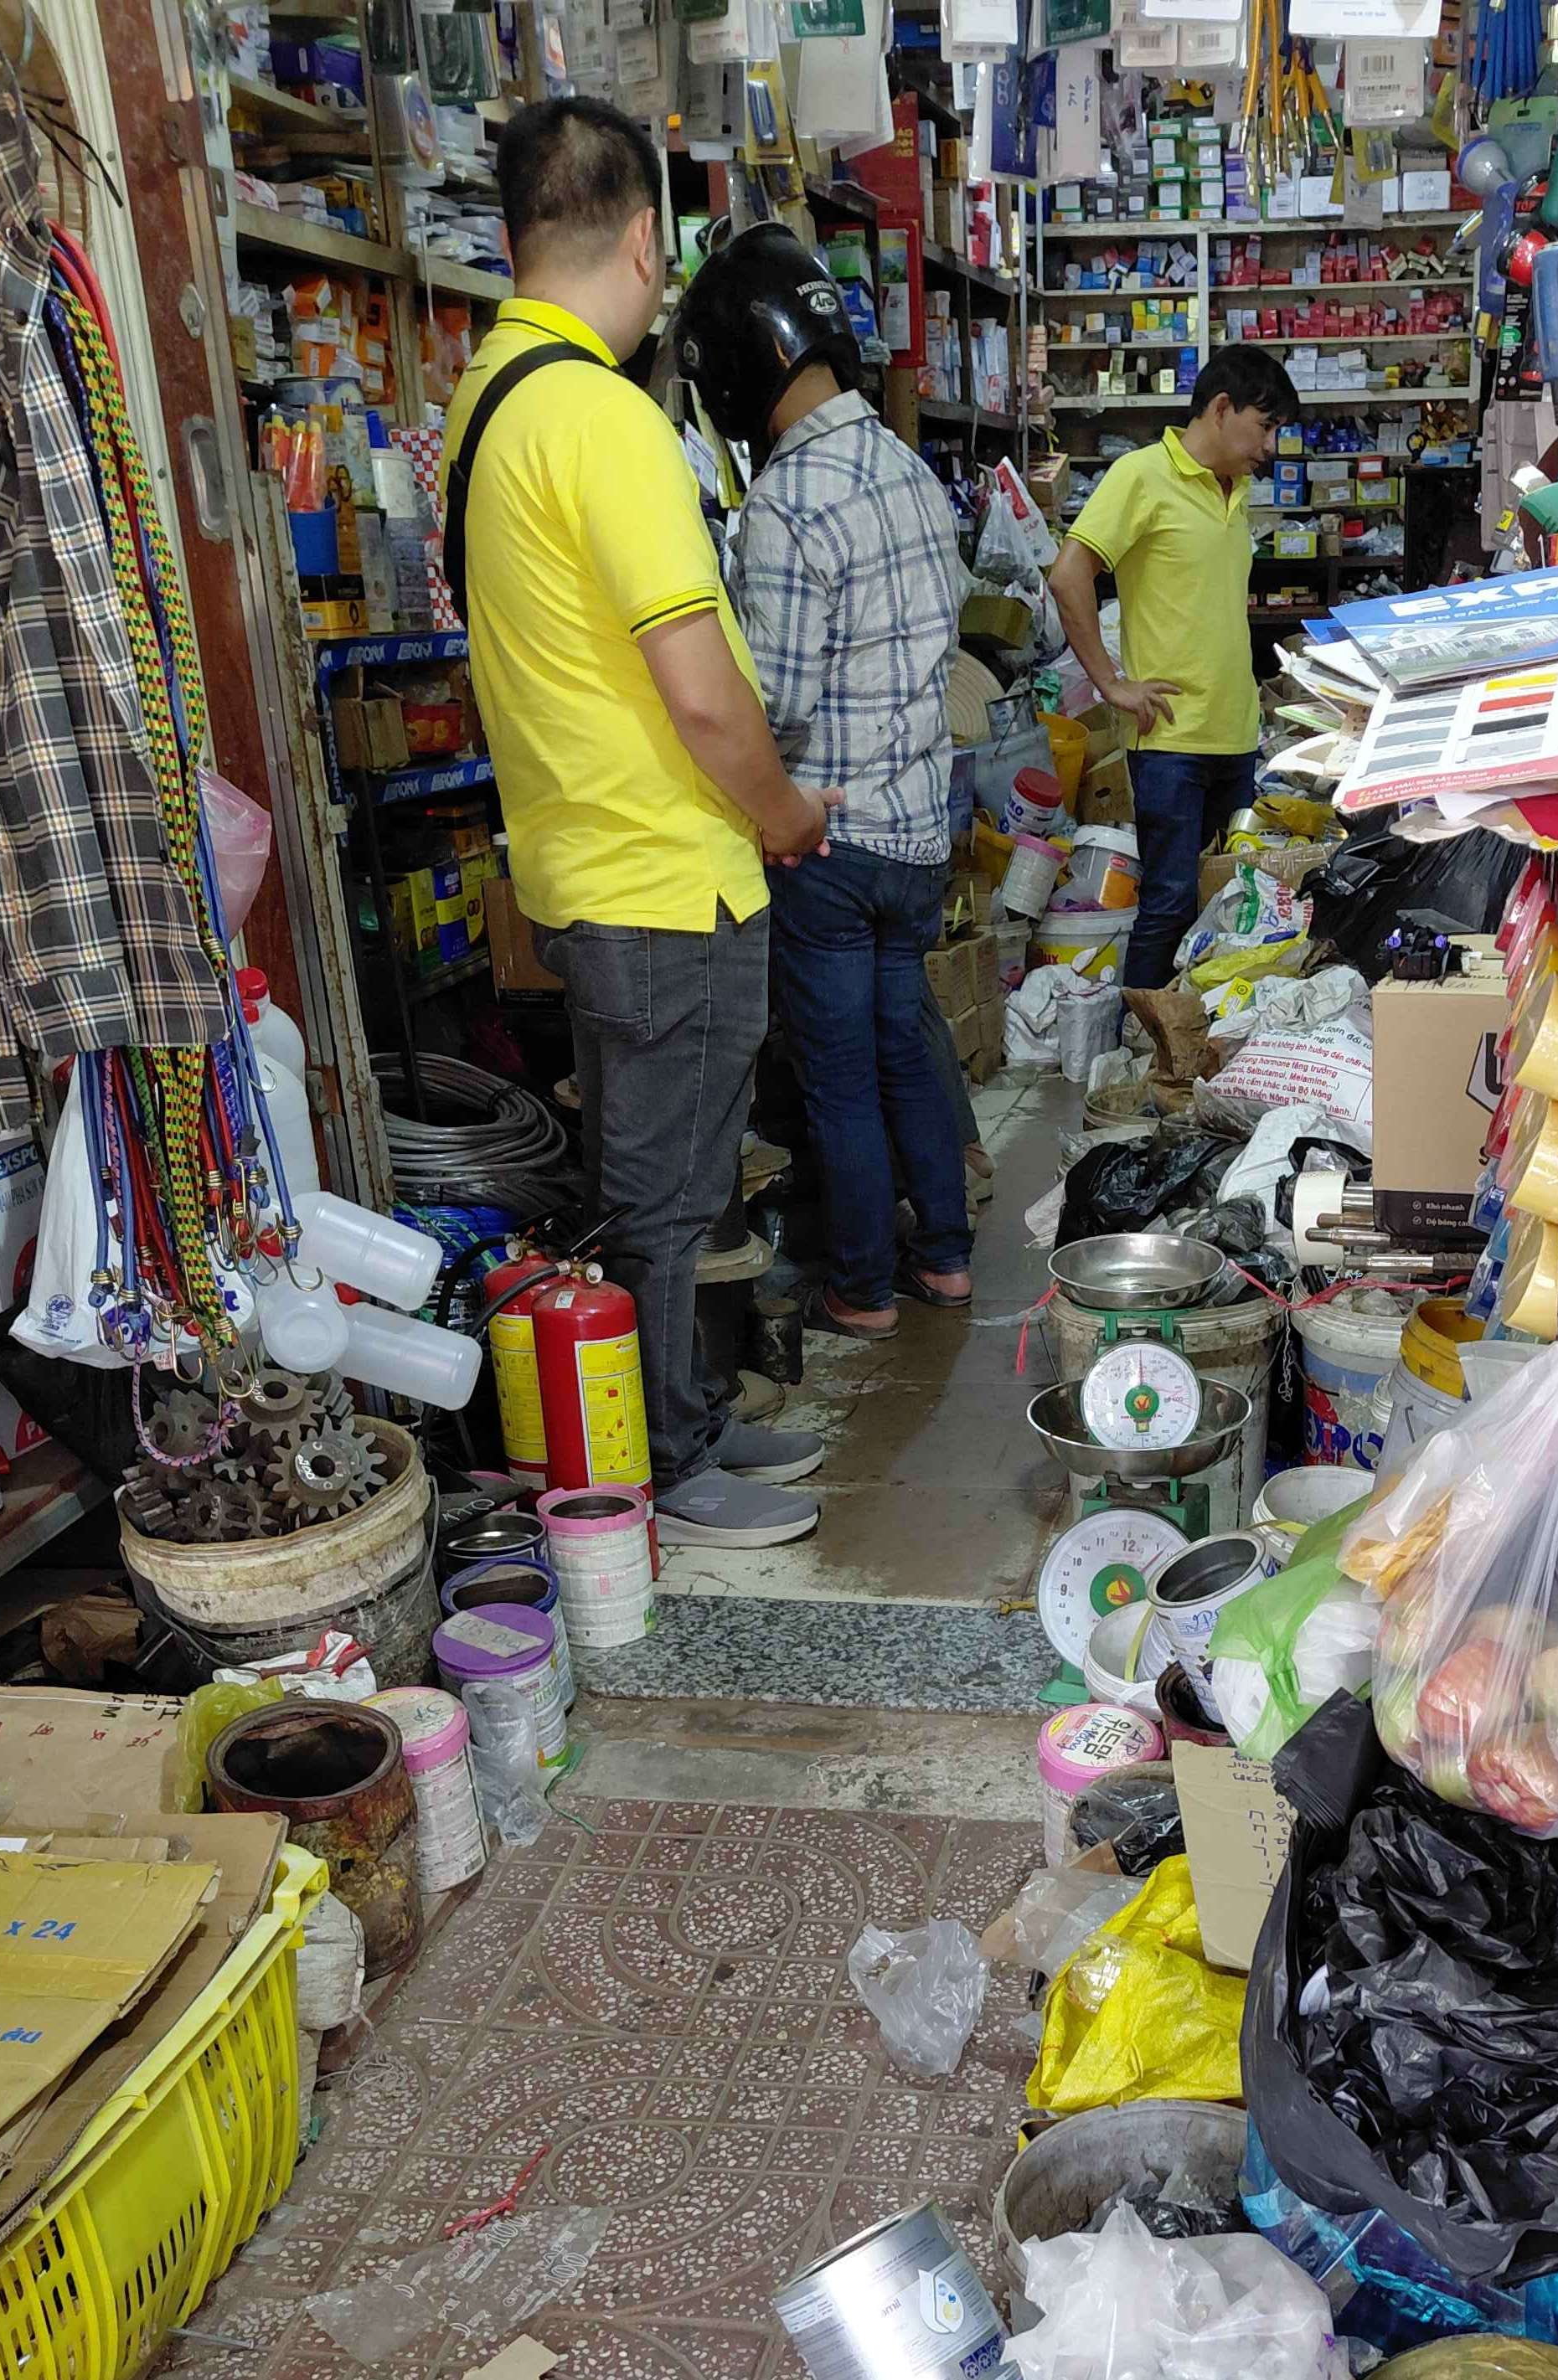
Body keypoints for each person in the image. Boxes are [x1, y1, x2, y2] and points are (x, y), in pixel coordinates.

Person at [442, 100, 832, 1547]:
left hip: (582, 867)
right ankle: (658, 1464)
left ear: (511, 237)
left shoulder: (487, 401)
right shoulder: (602, 418)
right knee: (666, 1199)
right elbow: (703, 696)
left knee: (647, 1181)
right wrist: (786, 815)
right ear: (646, 239)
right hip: (665, 876)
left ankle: (682, 1418)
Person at [684, 225, 973, 1343]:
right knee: (904, 1045)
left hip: (832, 841)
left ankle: (862, 1286)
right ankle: (945, 1258)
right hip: (919, 833)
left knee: (840, 1074)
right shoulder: (909, 469)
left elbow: (782, 705)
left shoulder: (786, 501)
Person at [1045, 347, 1301, 992]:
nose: (1270, 447)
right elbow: (1069, 575)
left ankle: (1198, 1038)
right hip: (1170, 740)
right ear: (1221, 408)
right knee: (1169, 904)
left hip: (1235, 736)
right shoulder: (1141, 475)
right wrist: (1110, 683)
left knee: (1227, 910)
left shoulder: (1237, 489)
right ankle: (1139, 1042)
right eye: (1265, 427)